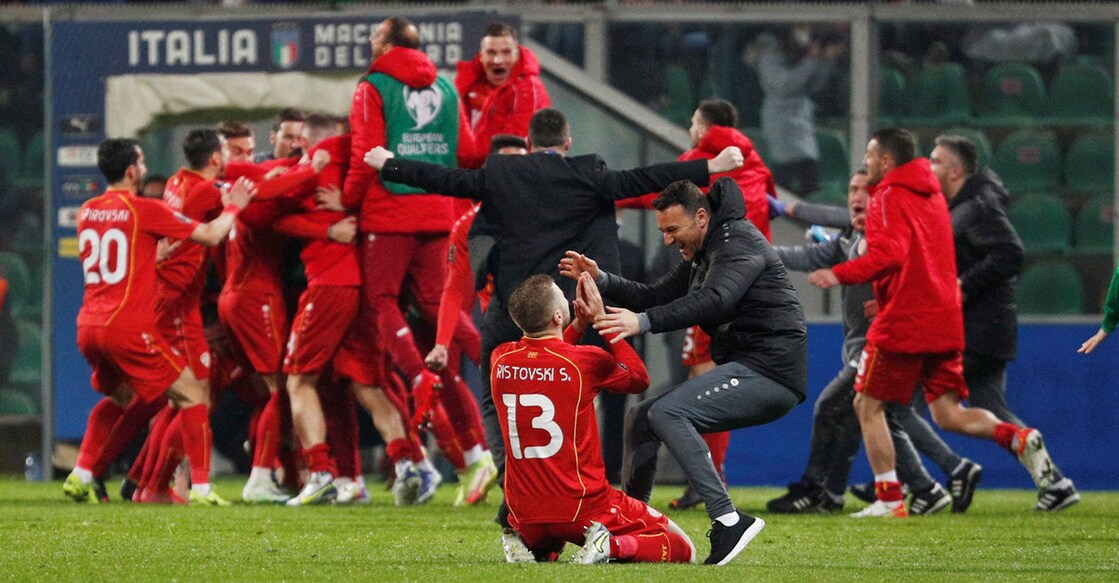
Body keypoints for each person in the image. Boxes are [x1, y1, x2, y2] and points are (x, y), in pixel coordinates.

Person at [363, 107, 742, 532]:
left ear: (527, 144)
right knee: (578, 402)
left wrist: (388, 164)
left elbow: (448, 180)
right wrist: (710, 166)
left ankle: (514, 485)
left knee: (497, 401)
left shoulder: (502, 174)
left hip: (512, 311)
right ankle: (576, 490)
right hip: (568, 313)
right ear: (567, 142)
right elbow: (641, 178)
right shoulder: (587, 174)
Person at [807, 128, 1064, 517]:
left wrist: (839, 274)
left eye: (871, 155)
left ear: (886, 161)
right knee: (947, 412)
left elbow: (890, 255)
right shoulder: (932, 198)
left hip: (906, 320)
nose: (866, 161)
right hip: (946, 320)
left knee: (867, 404)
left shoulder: (889, 197)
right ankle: (1017, 436)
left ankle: (891, 498)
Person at [558, 177, 804, 565]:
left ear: (702, 217)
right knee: (640, 417)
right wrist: (602, 279)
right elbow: (653, 294)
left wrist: (644, 322)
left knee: (667, 412)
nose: (669, 240)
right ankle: (629, 527)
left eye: (673, 230)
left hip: (772, 372)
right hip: (749, 365)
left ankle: (728, 520)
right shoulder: (704, 250)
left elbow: (714, 299)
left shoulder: (738, 242)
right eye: (663, 232)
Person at [62, 138, 254, 506]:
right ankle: (201, 488)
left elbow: (116, 260)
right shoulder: (143, 209)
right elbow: (212, 234)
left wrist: (155, 252)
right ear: (132, 171)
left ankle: (81, 474)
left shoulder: (87, 210)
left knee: (119, 397)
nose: (146, 169)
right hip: (127, 327)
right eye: (143, 162)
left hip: (88, 326)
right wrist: (233, 207)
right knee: (193, 394)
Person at [765, 170, 962, 516]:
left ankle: (819, 489)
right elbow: (805, 256)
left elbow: (926, 277)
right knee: (875, 415)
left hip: (888, 343)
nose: (857, 196)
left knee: (836, 406)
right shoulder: (847, 239)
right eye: (853, 189)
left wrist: (891, 304)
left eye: (865, 190)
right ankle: (921, 488)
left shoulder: (893, 234)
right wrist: (759, 250)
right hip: (863, 347)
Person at [616, 97, 776, 510]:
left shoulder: (702, 159)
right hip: (756, 289)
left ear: (704, 128)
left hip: (715, 281)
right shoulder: (758, 166)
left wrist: (611, 197)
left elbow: (658, 193)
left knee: (702, 379)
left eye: (692, 122)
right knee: (714, 376)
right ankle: (707, 478)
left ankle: (708, 479)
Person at [493, 273, 695, 565]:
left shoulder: (500, 358)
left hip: (524, 513)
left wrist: (577, 326)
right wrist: (602, 322)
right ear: (557, 316)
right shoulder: (585, 361)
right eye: (563, 298)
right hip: (583, 506)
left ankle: (525, 543)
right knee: (683, 547)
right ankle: (611, 547)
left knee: (548, 546)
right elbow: (638, 378)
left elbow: (549, 361)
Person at [930, 134, 1078, 510]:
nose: (928, 168)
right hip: (989, 324)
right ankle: (1055, 483)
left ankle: (909, 484)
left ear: (955, 170)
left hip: (979, 326)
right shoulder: (969, 203)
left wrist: (965, 284)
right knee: (992, 411)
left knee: (905, 399)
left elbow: (1011, 252)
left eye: (934, 161)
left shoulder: (978, 206)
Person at [342, 16, 475, 424]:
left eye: (373, 35)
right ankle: (496, 358)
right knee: (438, 304)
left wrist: (347, 201)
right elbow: (467, 152)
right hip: (439, 209)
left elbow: (367, 151)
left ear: (385, 44)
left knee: (382, 298)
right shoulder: (447, 87)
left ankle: (419, 376)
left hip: (389, 211)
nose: (368, 40)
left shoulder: (372, 87)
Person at [455, 22, 550, 166]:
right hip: (472, 176)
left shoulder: (528, 91)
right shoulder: (466, 86)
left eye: (506, 52)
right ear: (481, 56)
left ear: (517, 54)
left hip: (505, 178)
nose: (498, 60)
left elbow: (514, 149)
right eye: (491, 52)